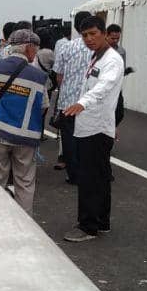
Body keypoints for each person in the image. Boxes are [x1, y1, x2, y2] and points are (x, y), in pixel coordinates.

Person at [61, 16, 123, 242]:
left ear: (104, 33)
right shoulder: (96, 57)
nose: (88, 39)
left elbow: (104, 86)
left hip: (96, 127)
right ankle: (101, 221)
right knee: (100, 176)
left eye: (93, 34)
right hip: (91, 124)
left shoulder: (112, 61)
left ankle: (88, 226)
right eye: (84, 35)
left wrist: (83, 103)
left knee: (90, 178)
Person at [0, 29, 49, 213]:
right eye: (36, 49)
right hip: (26, 136)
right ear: (28, 48)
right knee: (25, 182)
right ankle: (26, 225)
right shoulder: (39, 76)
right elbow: (43, 106)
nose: (36, 53)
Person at [54, 11, 93, 184]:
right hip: (90, 101)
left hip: (67, 101)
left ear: (75, 26)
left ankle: (73, 174)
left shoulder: (66, 47)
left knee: (69, 139)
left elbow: (59, 75)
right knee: (89, 138)